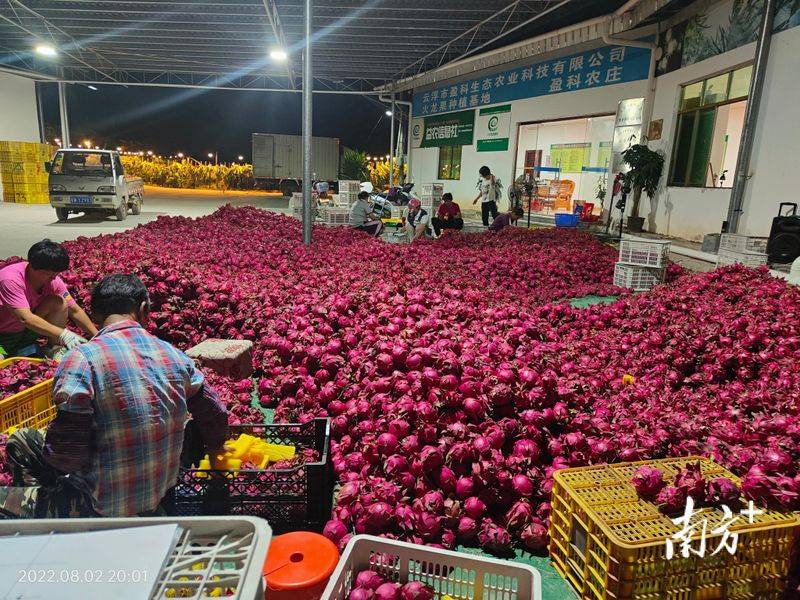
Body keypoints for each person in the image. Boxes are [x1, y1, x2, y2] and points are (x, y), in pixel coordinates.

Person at [0, 274, 230, 518]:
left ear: (95, 315)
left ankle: (56, 525)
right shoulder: (174, 355)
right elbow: (215, 414)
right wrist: (216, 451)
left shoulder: (82, 359)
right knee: (24, 441)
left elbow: (68, 456)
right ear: (145, 309)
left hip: (98, 508)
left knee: (14, 472)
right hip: (155, 496)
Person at [0, 239, 97, 358]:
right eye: (48, 273)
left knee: (58, 302)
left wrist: (97, 337)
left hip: (26, 334)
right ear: (32, 266)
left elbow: (75, 310)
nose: (53, 278)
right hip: (3, 337)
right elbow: (25, 318)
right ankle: (7, 352)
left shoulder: (53, 280)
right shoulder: (11, 279)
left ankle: (53, 348)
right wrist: (64, 334)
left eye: (56, 273)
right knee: (2, 357)